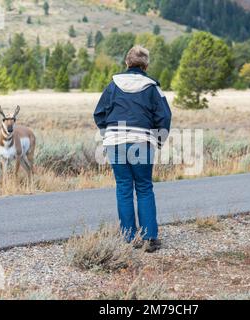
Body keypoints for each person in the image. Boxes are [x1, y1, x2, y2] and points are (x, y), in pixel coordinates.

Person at [93, 45, 172, 253]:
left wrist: (108, 135)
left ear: (127, 63)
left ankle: (128, 238)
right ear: (146, 65)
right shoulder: (153, 88)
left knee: (124, 188)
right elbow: (164, 117)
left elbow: (99, 114)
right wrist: (159, 141)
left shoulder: (113, 85)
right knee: (144, 187)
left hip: (115, 141)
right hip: (142, 141)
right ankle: (149, 238)